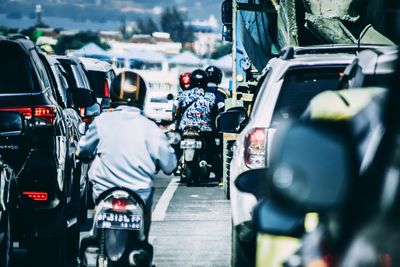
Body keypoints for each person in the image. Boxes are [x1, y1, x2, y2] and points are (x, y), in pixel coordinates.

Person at [77, 70, 177, 239]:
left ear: (114, 93)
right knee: (142, 235)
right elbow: (170, 165)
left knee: (94, 231)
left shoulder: (101, 121)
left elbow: (84, 149)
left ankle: (96, 236)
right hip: (139, 193)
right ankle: (142, 242)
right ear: (142, 96)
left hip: (104, 191)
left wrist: (81, 154)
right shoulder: (150, 128)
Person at [176, 69, 222, 181]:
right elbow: (217, 112)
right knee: (214, 151)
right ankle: (218, 174)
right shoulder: (212, 96)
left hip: (185, 128)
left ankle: (177, 165)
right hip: (205, 129)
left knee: (175, 143)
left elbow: (177, 110)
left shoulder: (184, 95)